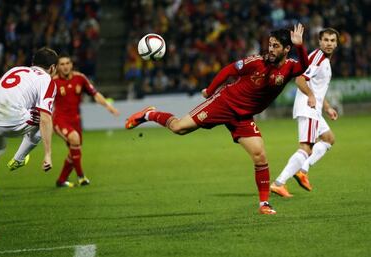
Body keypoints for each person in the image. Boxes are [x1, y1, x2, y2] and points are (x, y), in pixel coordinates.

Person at [125, 24, 309, 215]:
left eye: (276, 46)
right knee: (179, 128)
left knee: (259, 155)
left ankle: (264, 204)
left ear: (287, 49)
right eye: (270, 45)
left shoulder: (290, 67)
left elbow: (304, 66)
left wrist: (301, 46)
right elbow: (229, 70)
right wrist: (210, 90)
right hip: (224, 103)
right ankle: (149, 114)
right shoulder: (256, 62)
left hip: (243, 116)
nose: (271, 50)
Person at [0, 47, 58, 241]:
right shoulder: (47, 81)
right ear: (52, 68)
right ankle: (19, 158)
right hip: (10, 118)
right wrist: (47, 154)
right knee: (44, 116)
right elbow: (45, 118)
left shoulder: (15, 70)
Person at [271, 28, 339, 197]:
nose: (329, 43)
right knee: (306, 148)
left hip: (314, 107)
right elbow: (300, 80)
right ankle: (279, 182)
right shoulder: (318, 57)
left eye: (332, 40)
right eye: (326, 40)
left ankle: (303, 170)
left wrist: (328, 107)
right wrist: (310, 96)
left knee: (328, 139)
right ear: (319, 42)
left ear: (336, 43)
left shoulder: (325, 60)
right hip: (308, 107)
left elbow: (317, 89)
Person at [53, 53, 120, 188]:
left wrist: (108, 106)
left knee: (74, 152)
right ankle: (81, 177)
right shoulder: (52, 82)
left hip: (75, 121)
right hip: (60, 120)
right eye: (62, 64)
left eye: (67, 63)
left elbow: (95, 94)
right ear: (57, 67)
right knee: (75, 139)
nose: (65, 66)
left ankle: (61, 180)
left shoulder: (80, 78)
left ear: (71, 65)